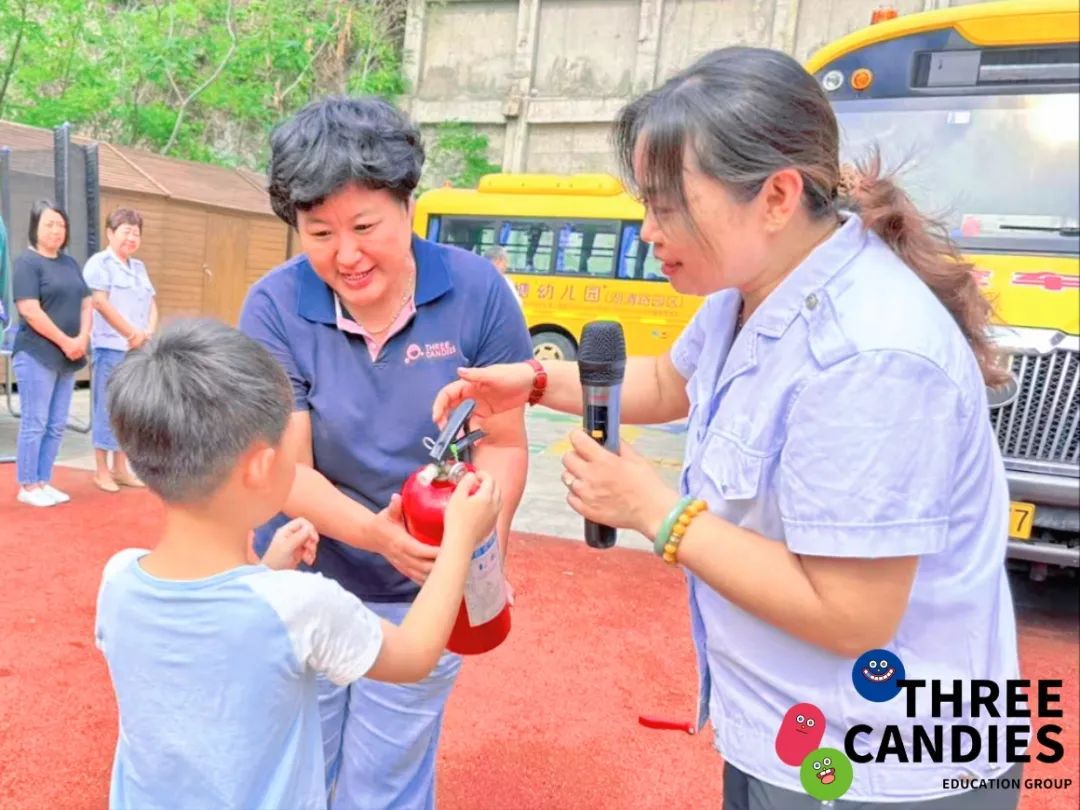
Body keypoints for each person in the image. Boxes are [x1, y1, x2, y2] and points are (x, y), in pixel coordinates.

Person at [433, 47, 1022, 809]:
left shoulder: (871, 355)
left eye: (670, 205)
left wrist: (654, 510)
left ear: (777, 196)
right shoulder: (751, 291)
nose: (648, 230)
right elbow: (667, 382)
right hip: (787, 732)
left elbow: (852, 615)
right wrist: (536, 379)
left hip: (881, 767)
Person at [238, 95, 532, 809]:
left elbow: (505, 444)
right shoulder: (275, 306)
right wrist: (375, 534)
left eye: (366, 225)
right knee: (298, 772)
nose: (346, 255)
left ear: (407, 204)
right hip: (308, 582)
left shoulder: (478, 293)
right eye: (318, 232)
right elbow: (284, 468)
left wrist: (477, 555)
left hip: (422, 593)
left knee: (386, 784)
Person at [94, 318, 502, 810]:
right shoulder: (301, 605)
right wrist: (459, 537)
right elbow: (414, 656)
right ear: (264, 467)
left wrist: (267, 569)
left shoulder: (118, 578)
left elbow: (219, 630)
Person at [11, 200, 91, 507]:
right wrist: (65, 341)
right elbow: (30, 310)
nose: (56, 230)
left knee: (57, 422)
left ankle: (44, 480)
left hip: (68, 356)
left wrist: (82, 338)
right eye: (49, 224)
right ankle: (28, 485)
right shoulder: (27, 264)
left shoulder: (69, 263)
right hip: (36, 354)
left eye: (61, 224)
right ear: (35, 227)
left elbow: (86, 303)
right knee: (36, 421)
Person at [83, 208, 158, 493]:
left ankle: (121, 468)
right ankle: (101, 470)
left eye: (136, 233)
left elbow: (151, 302)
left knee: (128, 409)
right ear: (110, 233)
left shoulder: (138, 267)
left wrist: (147, 331)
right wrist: (130, 332)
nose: (131, 237)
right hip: (111, 347)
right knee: (106, 406)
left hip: (137, 348)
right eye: (125, 231)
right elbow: (100, 303)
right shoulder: (98, 263)